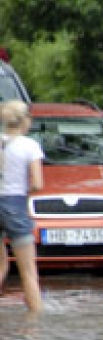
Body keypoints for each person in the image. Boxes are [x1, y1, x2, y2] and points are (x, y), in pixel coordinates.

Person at [0, 100, 44, 313]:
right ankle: (36, 321)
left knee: (1, 266)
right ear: (25, 121)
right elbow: (37, 183)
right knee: (28, 271)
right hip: (15, 204)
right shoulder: (30, 146)